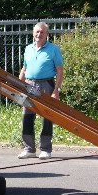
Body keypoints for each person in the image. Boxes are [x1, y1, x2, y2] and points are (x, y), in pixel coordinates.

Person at [18, 22, 64, 160]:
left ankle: (45, 149)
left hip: (46, 84)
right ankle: (29, 149)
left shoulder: (53, 49)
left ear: (47, 34)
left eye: (42, 32)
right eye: (37, 32)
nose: (39, 34)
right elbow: (24, 69)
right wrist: (18, 85)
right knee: (26, 117)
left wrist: (56, 90)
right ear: (33, 34)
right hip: (28, 85)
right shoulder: (28, 48)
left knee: (47, 117)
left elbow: (59, 70)